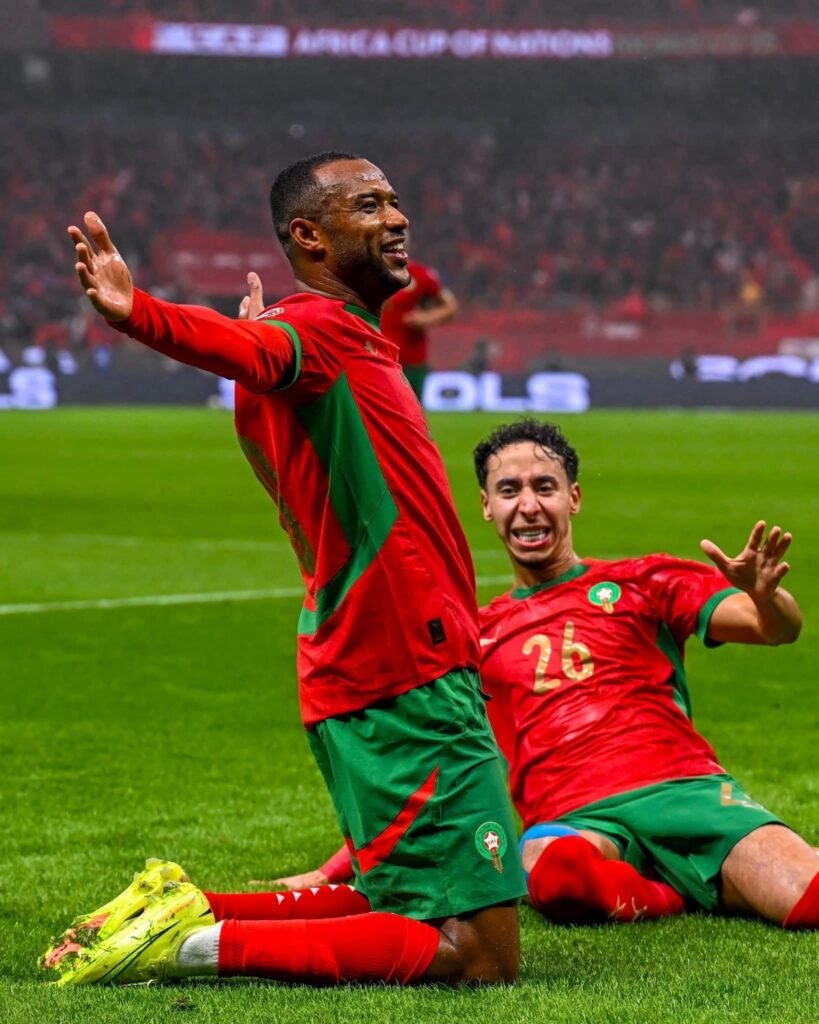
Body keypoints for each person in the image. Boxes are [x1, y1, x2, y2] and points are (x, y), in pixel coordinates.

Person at [46, 152, 525, 988]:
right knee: (478, 952)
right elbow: (248, 346)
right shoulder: (320, 331)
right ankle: (188, 948)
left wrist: (253, 356)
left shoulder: (328, 340)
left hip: (371, 653)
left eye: (394, 201)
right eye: (368, 205)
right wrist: (138, 313)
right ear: (308, 235)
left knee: (396, 897)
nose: (396, 218)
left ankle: (190, 911)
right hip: (406, 663)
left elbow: (264, 397)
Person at [271, 418, 818, 931]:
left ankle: (672, 879)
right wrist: (336, 868)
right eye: (509, 491)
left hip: (686, 790)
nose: (528, 506)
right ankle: (670, 890)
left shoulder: (643, 580)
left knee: (807, 899)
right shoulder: (473, 635)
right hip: (575, 821)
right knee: (554, 874)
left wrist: (766, 597)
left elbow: (773, 629)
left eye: (544, 487)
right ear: (487, 507)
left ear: (572, 497)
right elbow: (429, 765)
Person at [379, 257, 457, 400]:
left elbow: (450, 307)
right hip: (376, 357)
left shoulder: (421, 274)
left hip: (411, 361)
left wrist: (426, 318)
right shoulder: (367, 272)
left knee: (410, 411)